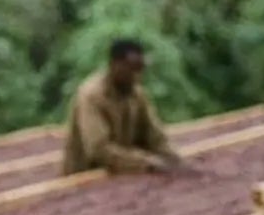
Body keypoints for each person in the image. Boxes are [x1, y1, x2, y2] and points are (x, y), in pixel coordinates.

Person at [62, 38, 184, 174]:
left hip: (121, 172)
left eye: (139, 69)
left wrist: (176, 160)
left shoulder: (137, 95)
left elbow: (156, 138)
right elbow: (99, 150)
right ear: (114, 65)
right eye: (131, 68)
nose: (136, 76)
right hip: (85, 176)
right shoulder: (92, 96)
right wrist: (146, 162)